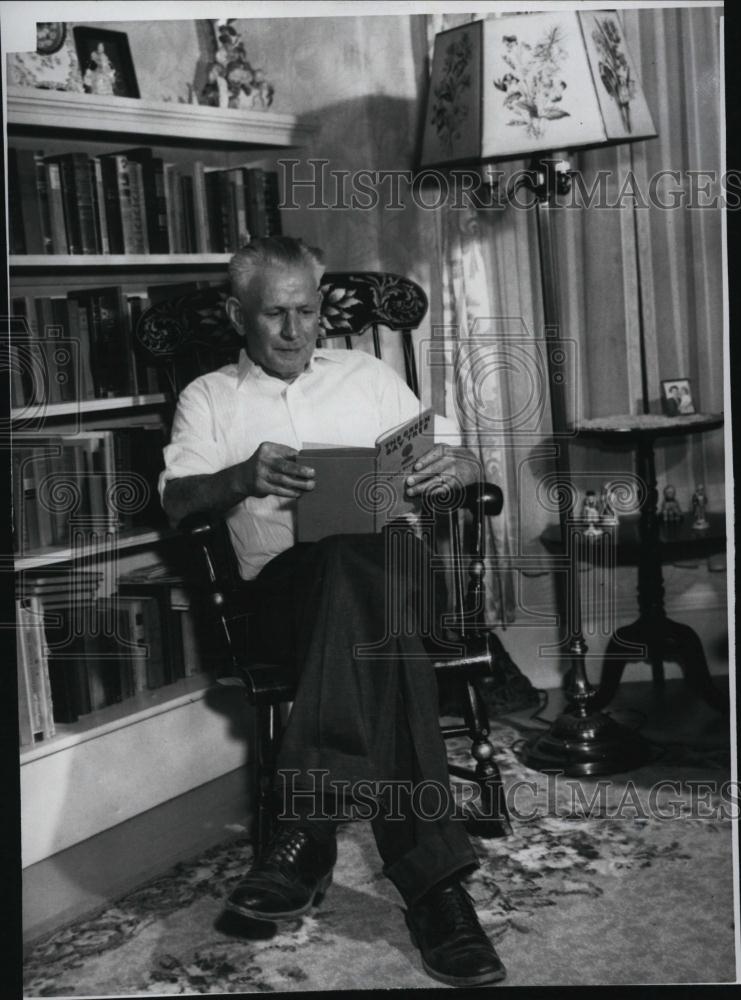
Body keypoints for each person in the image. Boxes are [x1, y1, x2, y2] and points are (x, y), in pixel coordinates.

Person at [159, 236, 506, 987]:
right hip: (287, 596)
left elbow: (457, 460)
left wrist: (461, 465)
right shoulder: (210, 398)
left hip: (404, 577)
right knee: (349, 581)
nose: (294, 330)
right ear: (236, 314)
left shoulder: (369, 376)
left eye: (307, 312)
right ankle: (438, 892)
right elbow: (180, 501)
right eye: (274, 314)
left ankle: (305, 827)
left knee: (363, 560)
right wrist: (242, 476)